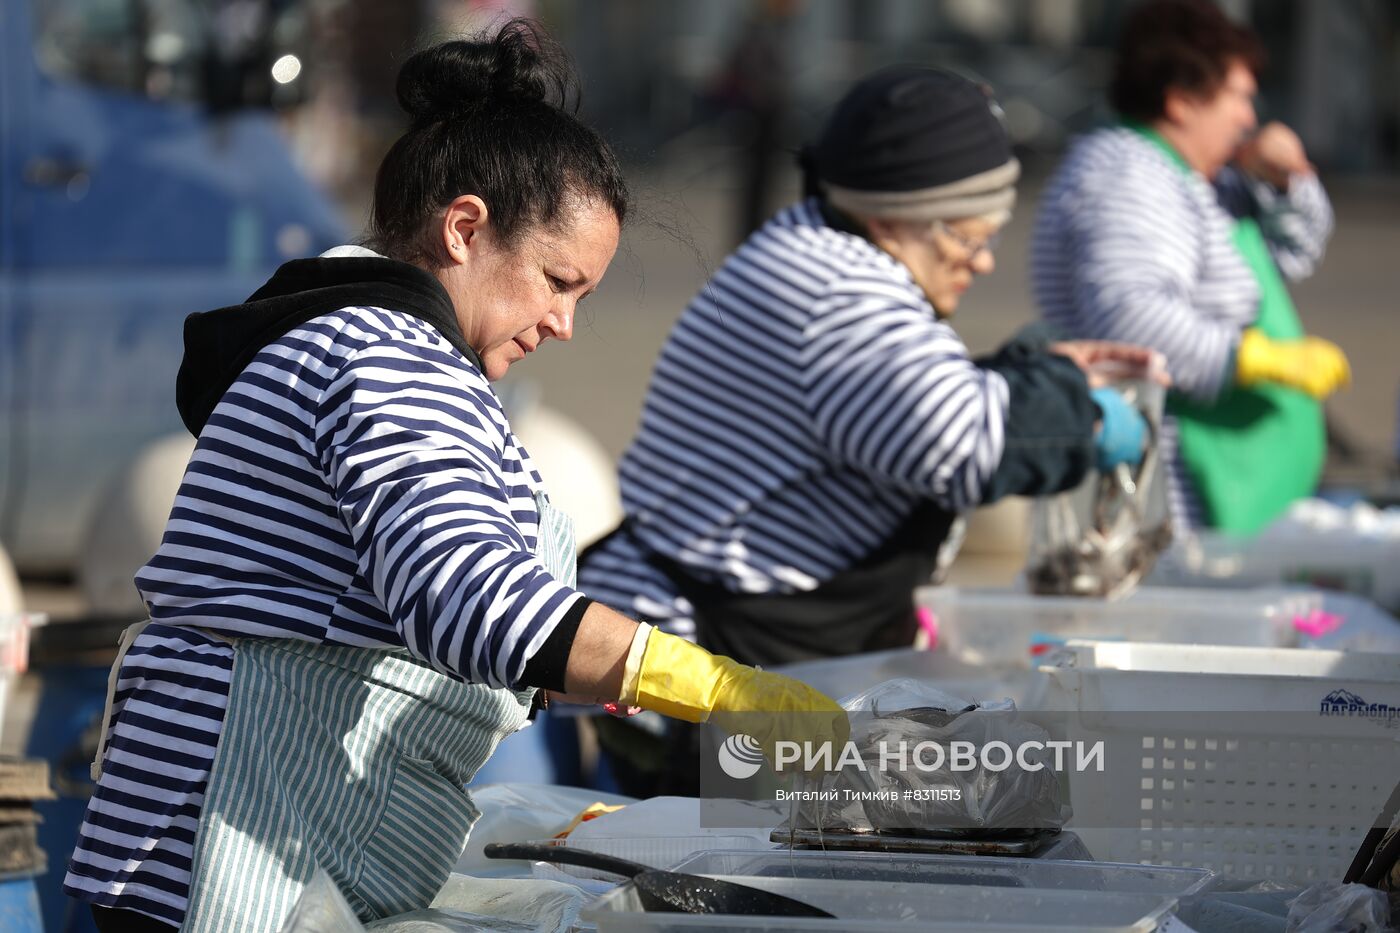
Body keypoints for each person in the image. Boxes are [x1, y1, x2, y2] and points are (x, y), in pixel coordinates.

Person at [63, 22, 844, 933]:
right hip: (230, 846)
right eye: (558, 281)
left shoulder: (376, 349)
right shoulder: (387, 358)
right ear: (465, 228)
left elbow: (426, 619)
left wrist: (614, 685)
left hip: (264, 835)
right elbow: (467, 595)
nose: (563, 323)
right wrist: (710, 685)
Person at [578, 65, 1154, 795]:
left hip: (756, 639)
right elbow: (966, 447)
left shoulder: (821, 247)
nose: (982, 260)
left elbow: (896, 403)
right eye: (967, 236)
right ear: (895, 216)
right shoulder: (836, 290)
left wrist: (1031, 371)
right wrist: (1086, 415)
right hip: (720, 668)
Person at [1031, 0, 1349, 535]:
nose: (1250, 117)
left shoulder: (1195, 177)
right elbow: (1129, 319)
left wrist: (1286, 181)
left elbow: (1293, 252)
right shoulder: (1128, 177)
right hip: (1169, 499)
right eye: (1239, 99)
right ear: (1181, 102)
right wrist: (1246, 359)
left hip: (1221, 495)